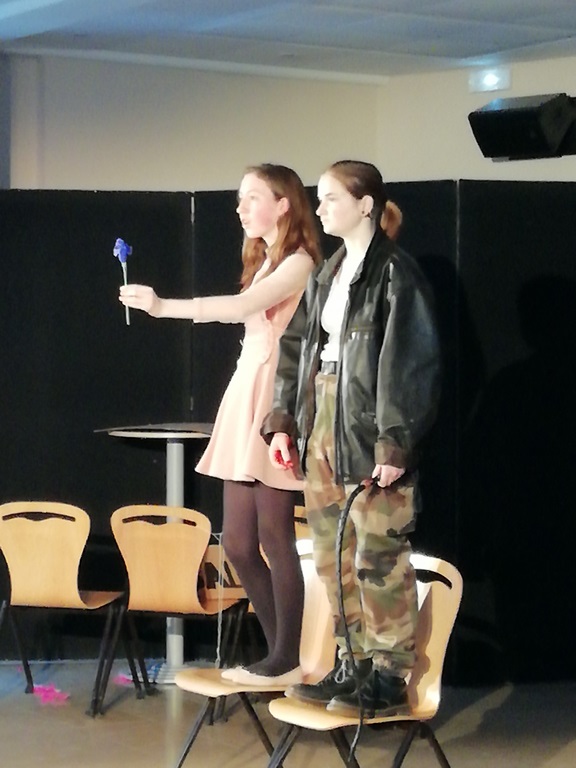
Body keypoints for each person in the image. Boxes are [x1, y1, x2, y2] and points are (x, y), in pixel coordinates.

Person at [119, 163, 322, 685]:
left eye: (253, 197)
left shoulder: (299, 262)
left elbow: (242, 307)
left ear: (283, 203)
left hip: (275, 397)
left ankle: (287, 656)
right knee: (236, 543)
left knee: (275, 534)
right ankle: (284, 653)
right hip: (245, 390)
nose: (241, 208)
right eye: (240, 199)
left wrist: (164, 307)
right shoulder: (265, 260)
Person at [262, 160, 441, 716]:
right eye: (318, 198)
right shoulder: (328, 273)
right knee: (331, 552)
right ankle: (352, 661)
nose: (319, 208)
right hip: (324, 417)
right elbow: (296, 349)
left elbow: (411, 364)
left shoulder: (395, 273)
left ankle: (387, 673)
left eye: (331, 198)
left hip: (368, 423)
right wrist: (283, 422)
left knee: (377, 550)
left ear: (366, 204)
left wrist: (394, 442)